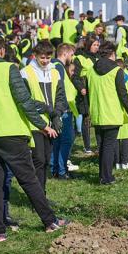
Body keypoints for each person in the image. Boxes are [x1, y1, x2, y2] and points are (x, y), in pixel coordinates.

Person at [0, 35, 69, 242]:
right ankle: (49, 221)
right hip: (10, 133)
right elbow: (24, 101)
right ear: (1, 52)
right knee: (28, 178)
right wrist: (42, 125)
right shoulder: (8, 68)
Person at [21, 41, 68, 193]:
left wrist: (57, 114)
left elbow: (61, 97)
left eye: (48, 58)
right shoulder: (25, 72)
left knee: (46, 160)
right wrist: (49, 110)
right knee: (39, 161)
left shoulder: (55, 72)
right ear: (35, 56)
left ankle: (41, 194)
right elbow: (26, 100)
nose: (46, 61)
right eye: (43, 58)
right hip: (34, 124)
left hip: (51, 123)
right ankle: (38, 196)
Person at [88, 41, 128, 185]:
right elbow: (123, 94)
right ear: (112, 54)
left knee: (102, 146)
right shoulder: (117, 71)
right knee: (108, 147)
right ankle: (107, 177)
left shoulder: (91, 70)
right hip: (112, 114)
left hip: (96, 114)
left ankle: (102, 175)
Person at [50, 43, 78, 179]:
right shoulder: (59, 67)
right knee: (66, 140)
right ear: (65, 53)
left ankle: (55, 169)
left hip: (61, 108)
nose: (72, 58)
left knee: (57, 140)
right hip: (63, 109)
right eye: (71, 54)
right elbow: (59, 88)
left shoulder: (55, 66)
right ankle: (61, 171)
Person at [114, 59, 128, 170]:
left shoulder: (112, 76)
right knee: (126, 138)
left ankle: (117, 162)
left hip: (116, 110)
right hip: (127, 112)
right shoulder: (126, 76)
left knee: (117, 138)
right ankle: (125, 162)